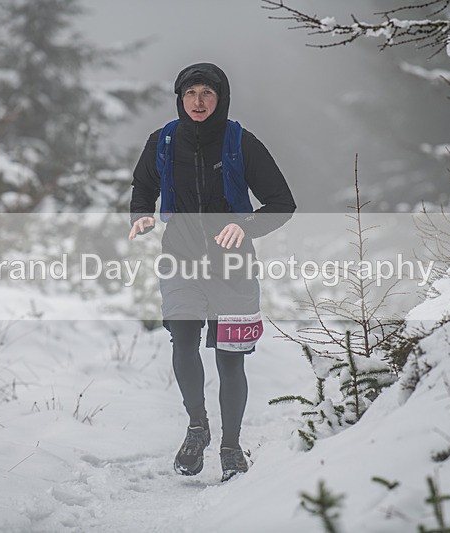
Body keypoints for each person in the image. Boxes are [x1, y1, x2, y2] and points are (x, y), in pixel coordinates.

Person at [128, 63, 295, 481]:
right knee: (183, 339)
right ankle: (197, 427)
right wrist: (141, 214)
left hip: (233, 265)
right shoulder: (164, 140)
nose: (198, 102)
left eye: (207, 93)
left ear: (220, 99)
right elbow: (143, 185)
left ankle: (231, 447)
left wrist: (246, 224)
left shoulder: (241, 142)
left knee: (230, 360)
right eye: (190, 94)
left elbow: (281, 202)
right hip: (180, 258)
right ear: (179, 98)